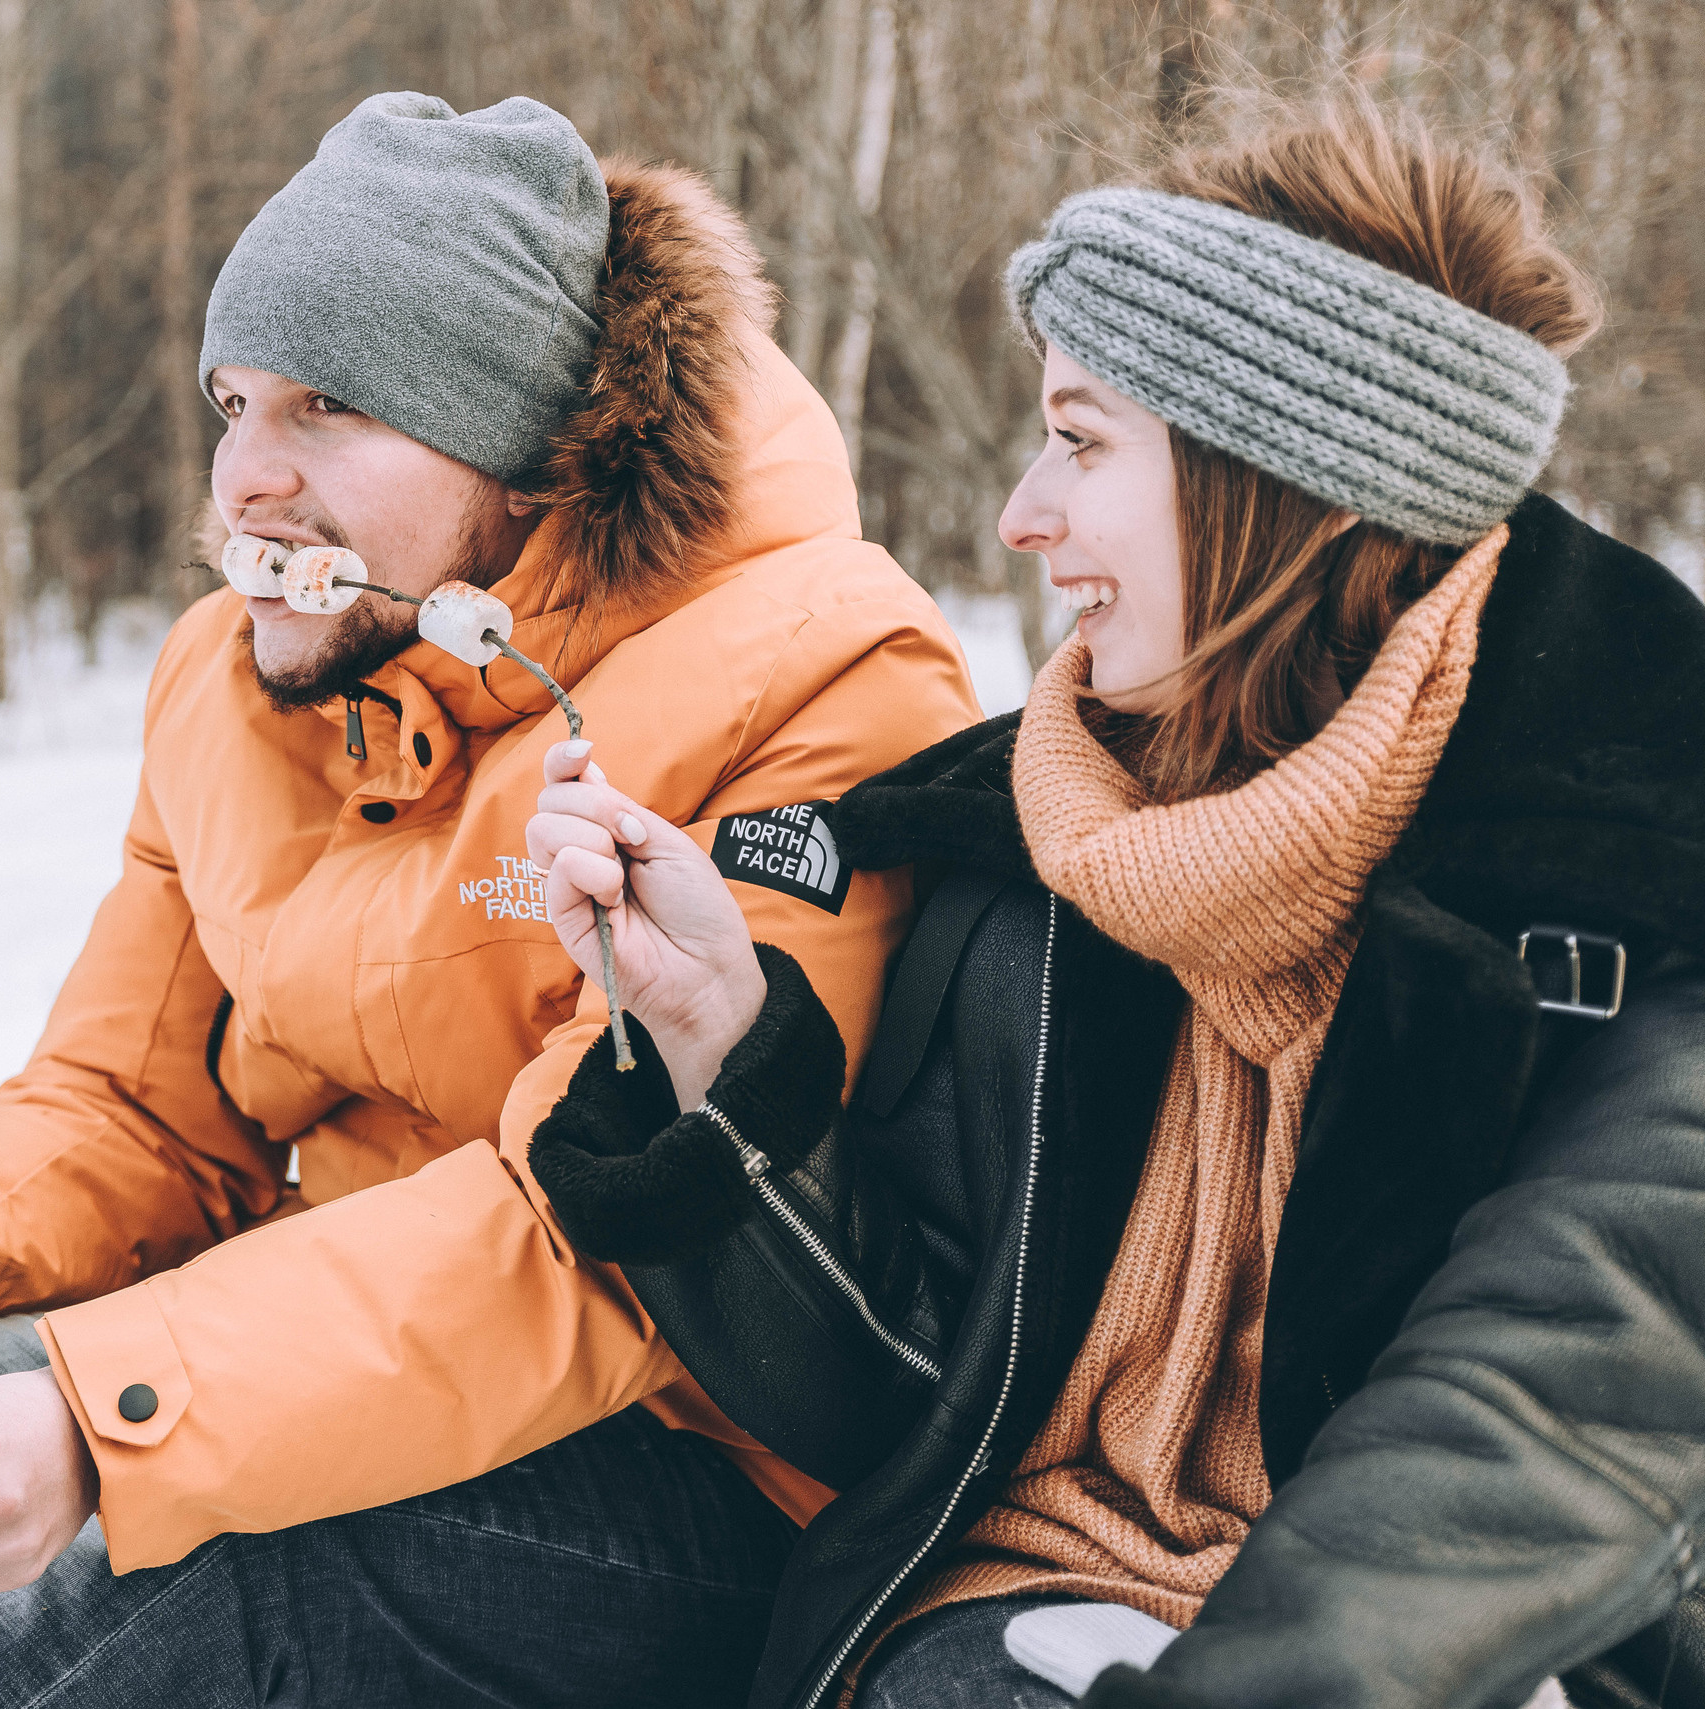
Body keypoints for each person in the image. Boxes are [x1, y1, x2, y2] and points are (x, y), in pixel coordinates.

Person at [0, 93, 981, 1707]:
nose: (245, 479)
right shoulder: (231, 685)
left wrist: (117, 1418)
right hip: (326, 1367)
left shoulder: (816, 682)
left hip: (689, 1462)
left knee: (214, 1508)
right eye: (234, 403)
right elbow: (140, 1097)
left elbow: (603, 1240)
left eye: (326, 408)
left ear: (528, 445)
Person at [524, 96, 1705, 1709]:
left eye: (1081, 440)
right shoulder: (1036, 845)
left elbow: (1546, 1406)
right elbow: (911, 1396)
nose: (1021, 514)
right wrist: (720, 1037)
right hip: (999, 1602)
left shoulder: (1638, 875)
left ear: (1287, 482)